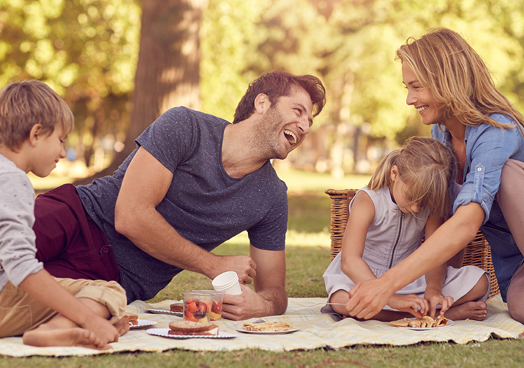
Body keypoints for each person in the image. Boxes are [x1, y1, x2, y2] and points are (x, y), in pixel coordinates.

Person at [33, 70, 327, 320]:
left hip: (113, 280)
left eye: (309, 122)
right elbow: (130, 216)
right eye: (297, 111)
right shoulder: (186, 126)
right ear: (262, 103)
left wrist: (261, 306)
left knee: (12, 300)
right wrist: (214, 266)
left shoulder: (272, 197)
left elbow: (275, 291)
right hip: (77, 216)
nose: (304, 127)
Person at [344, 28, 524, 323]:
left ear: (447, 82)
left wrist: (386, 284)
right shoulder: (440, 136)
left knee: (506, 174)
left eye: (416, 86)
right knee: (519, 308)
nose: (409, 99)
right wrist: (436, 288)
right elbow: (443, 218)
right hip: (516, 263)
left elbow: (467, 222)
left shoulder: (497, 131)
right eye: (407, 87)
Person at [0, 81, 128, 349]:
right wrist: (90, 319)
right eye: (61, 140)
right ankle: (52, 331)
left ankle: (61, 325)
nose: (63, 152)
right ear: (36, 134)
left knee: (74, 291)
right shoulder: (10, 178)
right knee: (109, 290)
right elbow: (21, 266)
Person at [322, 136, 490, 321]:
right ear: (395, 174)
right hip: (361, 277)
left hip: (411, 278)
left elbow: (436, 255)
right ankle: (441, 315)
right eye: (411, 197)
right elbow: (349, 260)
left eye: (423, 203)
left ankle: (395, 314)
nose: (417, 208)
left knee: (479, 281)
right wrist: (390, 297)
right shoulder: (368, 200)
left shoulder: (431, 207)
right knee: (342, 301)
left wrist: (433, 290)